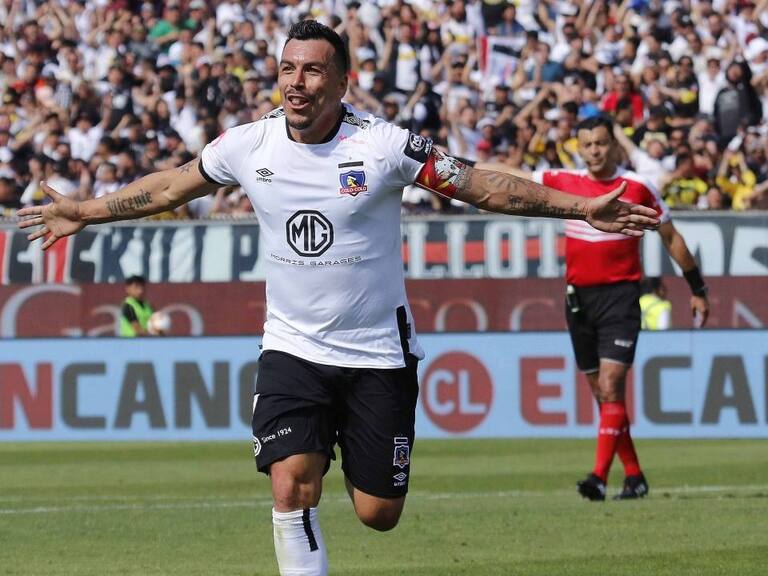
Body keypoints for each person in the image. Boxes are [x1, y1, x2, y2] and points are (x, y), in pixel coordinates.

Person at [18, 21, 660, 575]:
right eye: (287, 69)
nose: (296, 82)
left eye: (313, 71)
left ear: (342, 82)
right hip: (292, 348)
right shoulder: (249, 144)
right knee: (291, 484)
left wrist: (582, 209)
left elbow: (482, 185)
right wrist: (88, 211)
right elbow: (168, 188)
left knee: (378, 513)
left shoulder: (382, 146)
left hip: (378, 351)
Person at [494, 115, 709, 501]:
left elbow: (671, 236)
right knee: (603, 396)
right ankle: (634, 476)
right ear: (579, 147)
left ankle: (597, 476)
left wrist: (697, 288)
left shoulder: (638, 188)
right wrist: (453, 166)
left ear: (614, 145)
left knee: (610, 387)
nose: (594, 150)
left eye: (601, 143)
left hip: (621, 298)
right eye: (588, 144)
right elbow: (514, 174)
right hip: (578, 301)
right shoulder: (565, 181)